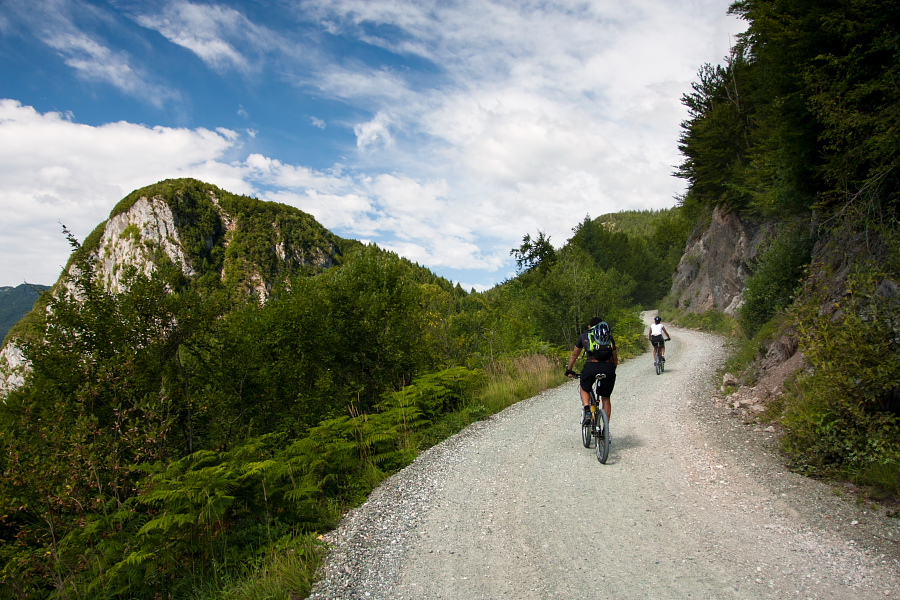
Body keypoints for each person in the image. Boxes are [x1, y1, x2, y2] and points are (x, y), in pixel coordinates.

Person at [565, 317, 618, 427]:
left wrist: (569, 370)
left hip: (592, 366)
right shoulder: (609, 337)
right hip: (608, 367)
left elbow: (574, 355)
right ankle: (605, 429)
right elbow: (615, 358)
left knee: (584, 387)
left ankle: (587, 410)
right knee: (606, 397)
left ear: (590, 326)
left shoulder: (584, 336)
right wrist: (612, 369)